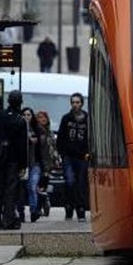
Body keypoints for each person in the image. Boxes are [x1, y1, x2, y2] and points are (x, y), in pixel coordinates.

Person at [0, 91, 27, 230]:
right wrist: (23, 164)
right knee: (10, 191)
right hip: (13, 159)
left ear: (8, 101)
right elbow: (22, 146)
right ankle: (8, 220)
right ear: (20, 102)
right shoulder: (20, 120)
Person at [57, 92, 89, 221]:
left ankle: (81, 210)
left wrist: (88, 152)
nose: (75, 105)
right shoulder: (66, 118)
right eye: (73, 102)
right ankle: (69, 207)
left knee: (81, 183)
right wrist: (62, 153)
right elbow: (60, 137)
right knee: (70, 182)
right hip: (68, 156)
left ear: (82, 103)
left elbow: (90, 137)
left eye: (77, 102)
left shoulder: (87, 119)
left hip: (82, 156)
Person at [19, 107, 52, 222]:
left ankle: (34, 211)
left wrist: (45, 168)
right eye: (24, 115)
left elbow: (43, 149)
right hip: (21, 164)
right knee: (21, 190)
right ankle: (21, 212)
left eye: (29, 115)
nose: (27, 117)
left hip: (35, 164)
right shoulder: (18, 128)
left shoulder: (37, 130)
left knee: (32, 187)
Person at [35, 110, 59, 217]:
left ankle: (42, 205)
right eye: (39, 117)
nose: (43, 119)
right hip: (40, 162)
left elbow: (53, 148)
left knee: (43, 185)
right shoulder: (38, 132)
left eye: (44, 117)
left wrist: (56, 159)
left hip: (49, 163)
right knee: (39, 186)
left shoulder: (49, 132)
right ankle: (40, 205)